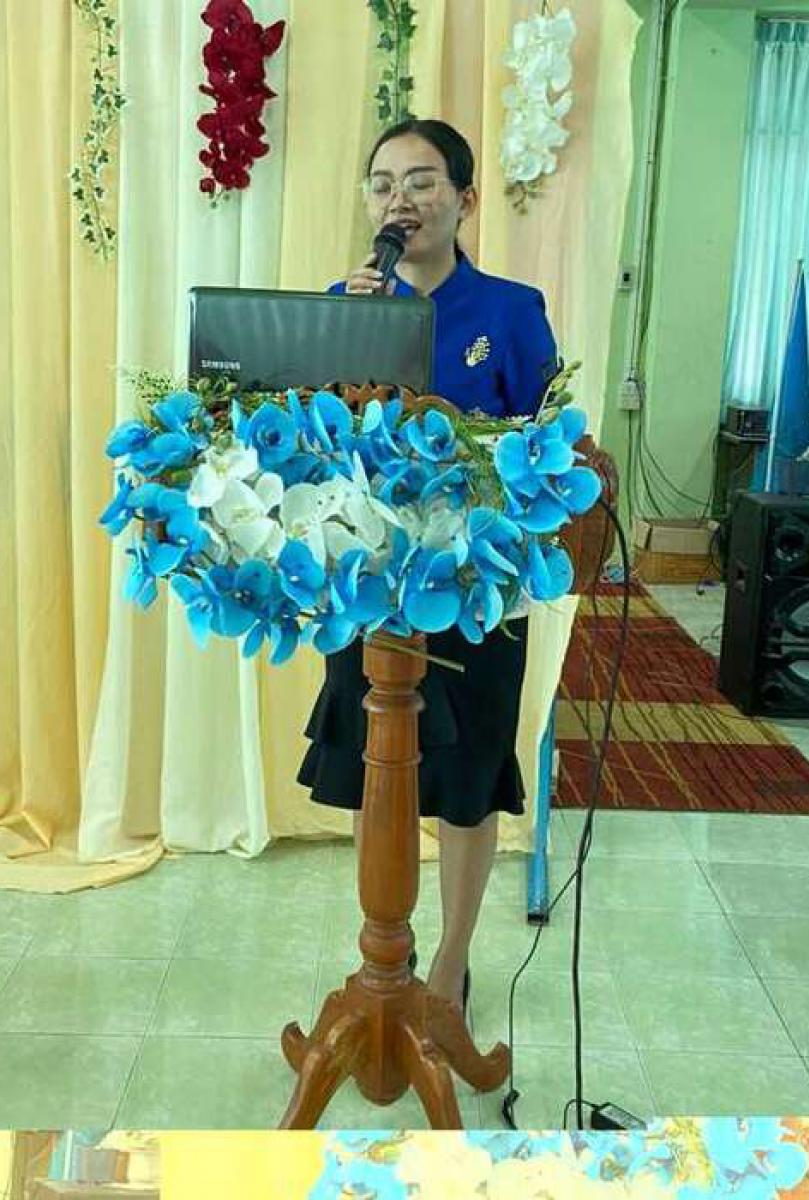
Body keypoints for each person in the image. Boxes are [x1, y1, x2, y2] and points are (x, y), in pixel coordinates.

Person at [298, 118, 560, 1009]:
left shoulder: (510, 311)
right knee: (379, 767)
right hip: (373, 581)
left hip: (476, 584)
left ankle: (450, 960)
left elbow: (546, 439)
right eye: (382, 184)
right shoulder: (347, 301)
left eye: (420, 182)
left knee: (467, 776)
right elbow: (317, 444)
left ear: (465, 198)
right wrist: (352, 332)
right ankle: (387, 948)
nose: (398, 200)